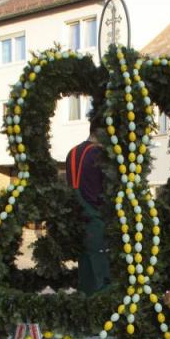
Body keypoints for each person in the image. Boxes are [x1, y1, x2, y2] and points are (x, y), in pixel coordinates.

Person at [65, 115, 109, 295]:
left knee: (86, 272)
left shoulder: (72, 152)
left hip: (78, 218)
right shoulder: (99, 155)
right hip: (96, 219)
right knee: (100, 276)